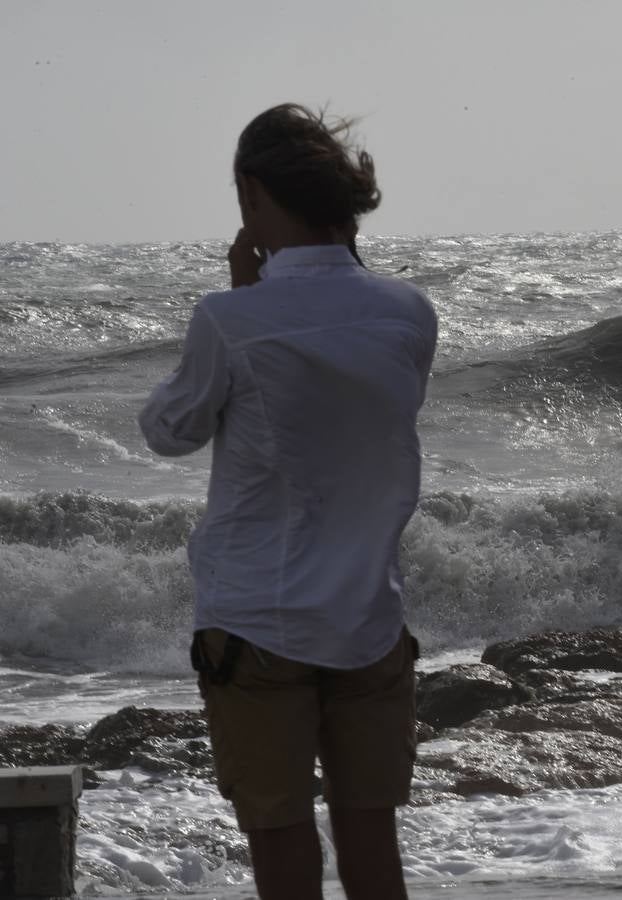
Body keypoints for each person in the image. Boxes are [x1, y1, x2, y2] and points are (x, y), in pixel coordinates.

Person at [138, 103, 438, 900]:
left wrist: (242, 299)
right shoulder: (409, 311)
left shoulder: (230, 319)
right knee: (373, 845)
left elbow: (169, 431)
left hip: (257, 625)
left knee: (280, 843)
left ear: (251, 194)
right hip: (369, 617)